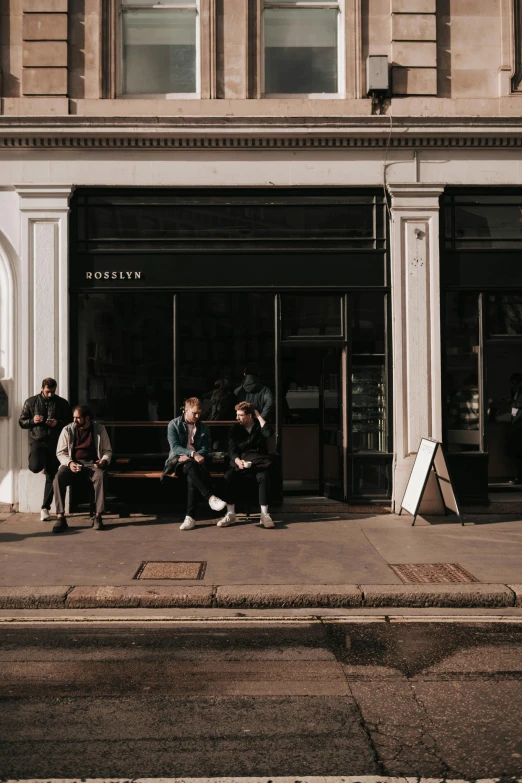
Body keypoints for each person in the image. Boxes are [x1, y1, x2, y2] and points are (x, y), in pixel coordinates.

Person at [165, 397, 226, 530]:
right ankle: (210, 498)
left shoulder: (203, 427)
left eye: (199, 413)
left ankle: (190, 518)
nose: (197, 416)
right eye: (194, 413)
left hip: (195, 464)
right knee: (190, 467)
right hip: (177, 462)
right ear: (186, 411)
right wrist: (192, 454)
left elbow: (205, 448)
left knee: (191, 472)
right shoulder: (173, 424)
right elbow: (175, 447)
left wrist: (195, 456)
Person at [18, 377, 72, 522]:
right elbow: (21, 422)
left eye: (52, 392)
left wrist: (58, 423)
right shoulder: (31, 402)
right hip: (37, 440)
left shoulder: (62, 403)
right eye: (48, 391)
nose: (50, 394)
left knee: (52, 475)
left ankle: (45, 508)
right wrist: (32, 421)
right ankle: (41, 465)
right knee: (35, 467)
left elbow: (69, 422)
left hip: (55, 442)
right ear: (42, 388)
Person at [52, 405, 113, 533]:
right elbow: (60, 452)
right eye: (74, 417)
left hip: (92, 464)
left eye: (78, 418)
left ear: (87, 418)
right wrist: (69, 463)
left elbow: (107, 450)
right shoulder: (68, 429)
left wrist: (103, 461)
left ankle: (98, 516)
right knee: (58, 478)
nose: (75, 421)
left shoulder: (99, 429)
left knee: (100, 477)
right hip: (72, 463)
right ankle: (60, 517)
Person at [217, 401, 275, 529]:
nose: (237, 418)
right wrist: (237, 460)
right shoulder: (235, 429)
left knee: (263, 477)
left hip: (259, 462)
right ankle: (231, 513)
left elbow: (269, 433)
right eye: (237, 414)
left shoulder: (259, 427)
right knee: (229, 476)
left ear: (250, 416)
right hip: (242, 461)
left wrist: (259, 416)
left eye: (241, 415)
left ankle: (264, 514)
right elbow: (232, 449)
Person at [508, 373, 522, 483]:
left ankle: (520, 477)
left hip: (519, 424)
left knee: (518, 452)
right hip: (518, 422)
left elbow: (517, 405)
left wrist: (512, 415)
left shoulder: (519, 391)